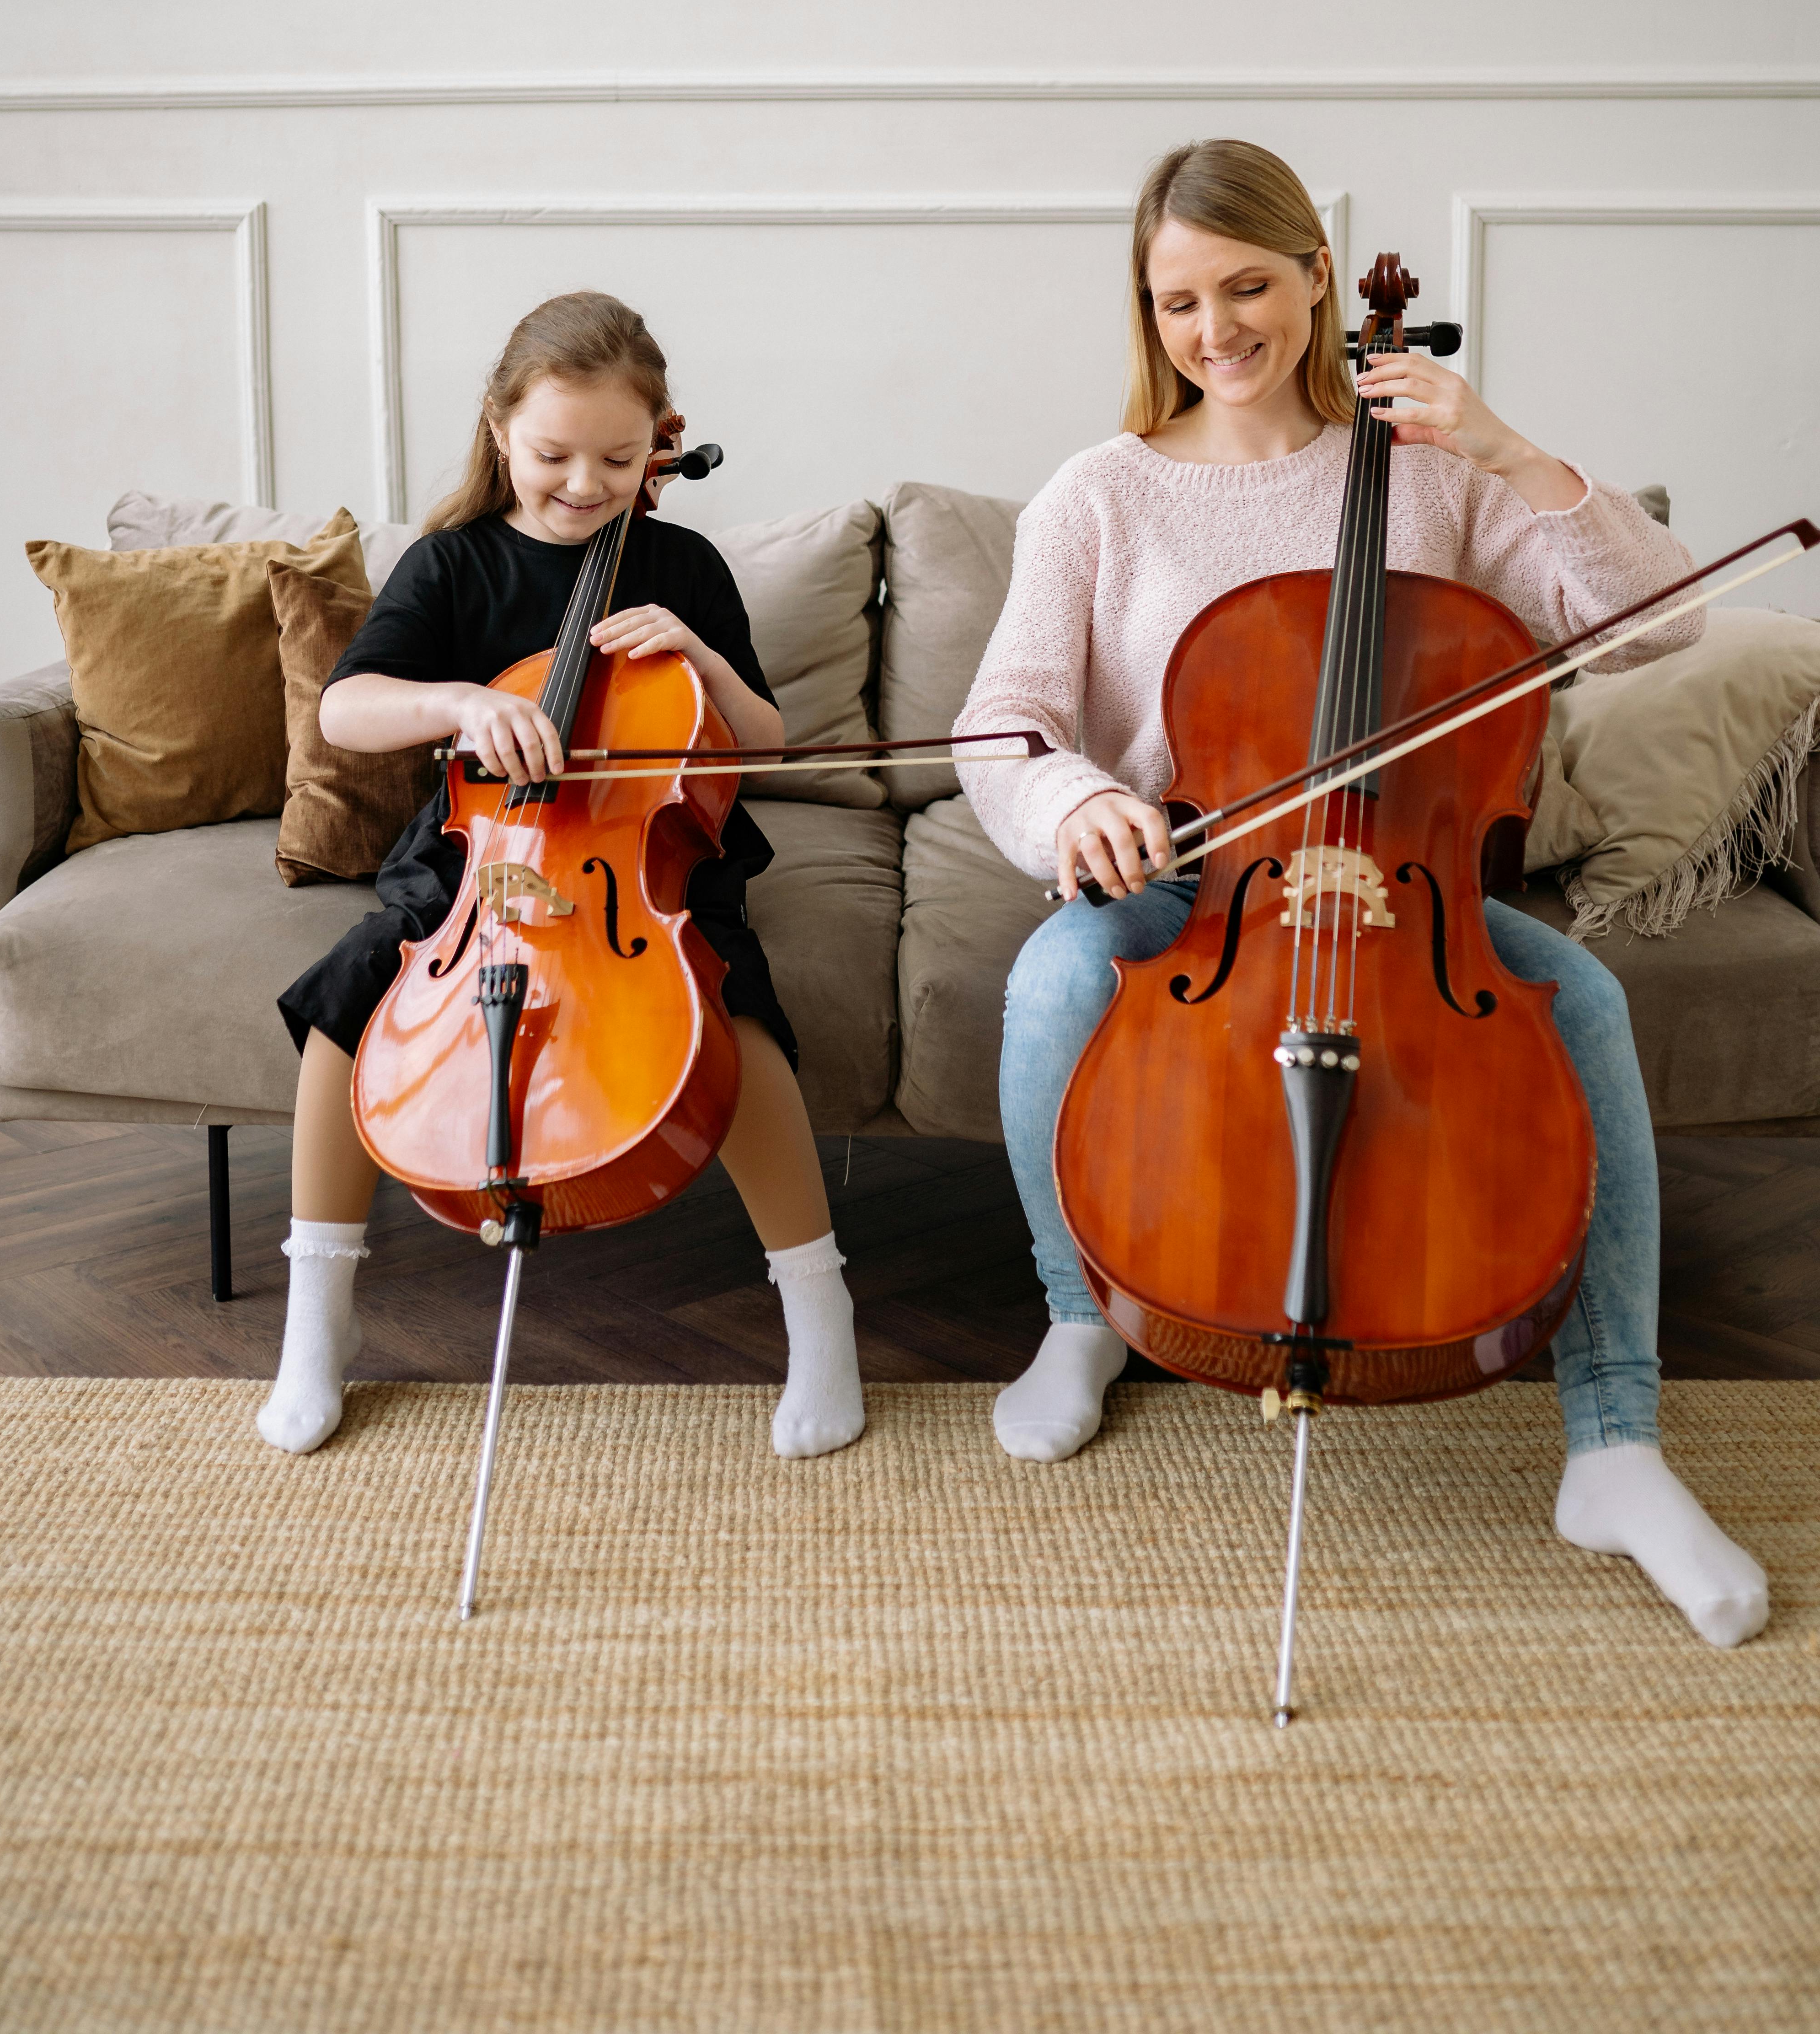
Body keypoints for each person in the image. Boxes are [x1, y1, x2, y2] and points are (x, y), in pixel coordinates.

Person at [956, 140, 1768, 1650]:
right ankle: (1083, 1313)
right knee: (1058, 978)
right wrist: (1083, 801)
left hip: (1410, 890)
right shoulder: (1101, 495)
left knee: (1576, 990)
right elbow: (1001, 720)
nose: (1218, 329)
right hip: (1199, 889)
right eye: (1180, 300)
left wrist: (1517, 454)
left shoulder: (1435, 473)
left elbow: (1658, 628)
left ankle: (1616, 1440)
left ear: (1321, 277)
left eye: (1249, 285)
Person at [257, 290, 864, 1464]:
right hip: (480, 863)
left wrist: (692, 652)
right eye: (553, 455)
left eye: (618, 458)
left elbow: (763, 743)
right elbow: (346, 707)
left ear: (661, 446)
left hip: (650, 865)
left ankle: (816, 1309)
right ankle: (317, 1319)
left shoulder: (681, 564)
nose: (585, 484)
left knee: (732, 1020)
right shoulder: (452, 565)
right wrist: (461, 702)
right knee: (343, 1013)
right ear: (498, 431)